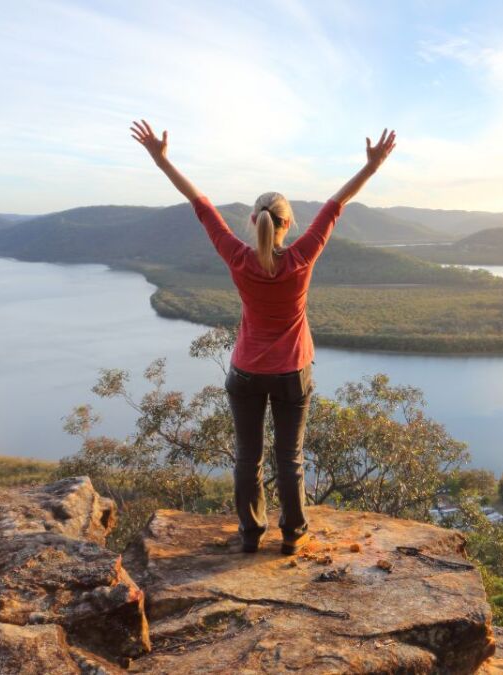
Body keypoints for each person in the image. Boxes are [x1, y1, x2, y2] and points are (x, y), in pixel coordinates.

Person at [130, 119, 396, 554]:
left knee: (247, 458)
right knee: (289, 458)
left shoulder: (237, 256)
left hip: (247, 372)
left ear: (253, 222)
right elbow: (337, 204)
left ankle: (250, 535)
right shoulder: (301, 257)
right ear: (288, 224)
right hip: (293, 372)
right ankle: (293, 536)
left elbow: (200, 205)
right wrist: (372, 166)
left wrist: (162, 160)